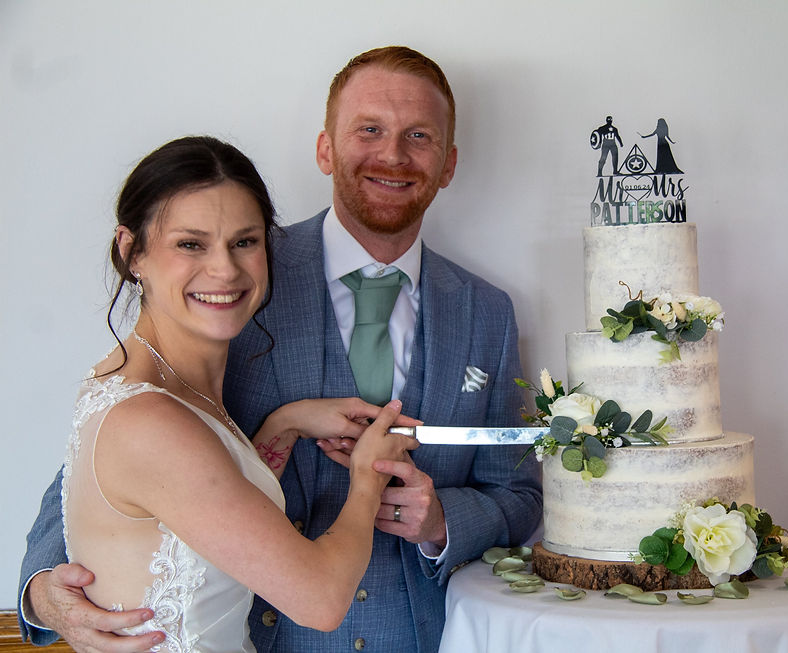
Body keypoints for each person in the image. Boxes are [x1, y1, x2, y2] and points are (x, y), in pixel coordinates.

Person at [20, 46, 543, 653]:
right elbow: (107, 448)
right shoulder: (232, 281)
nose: (393, 154)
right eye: (368, 129)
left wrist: (442, 522)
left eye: (418, 136)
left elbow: (518, 493)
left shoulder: (487, 312)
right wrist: (43, 592)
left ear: (447, 163)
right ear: (325, 148)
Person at [22, 134, 422, 652]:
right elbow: (320, 600)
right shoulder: (147, 420)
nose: (225, 270)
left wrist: (286, 423)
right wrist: (369, 477)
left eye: (244, 242)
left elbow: (200, 511)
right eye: (191, 244)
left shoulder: (143, 380)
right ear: (131, 251)